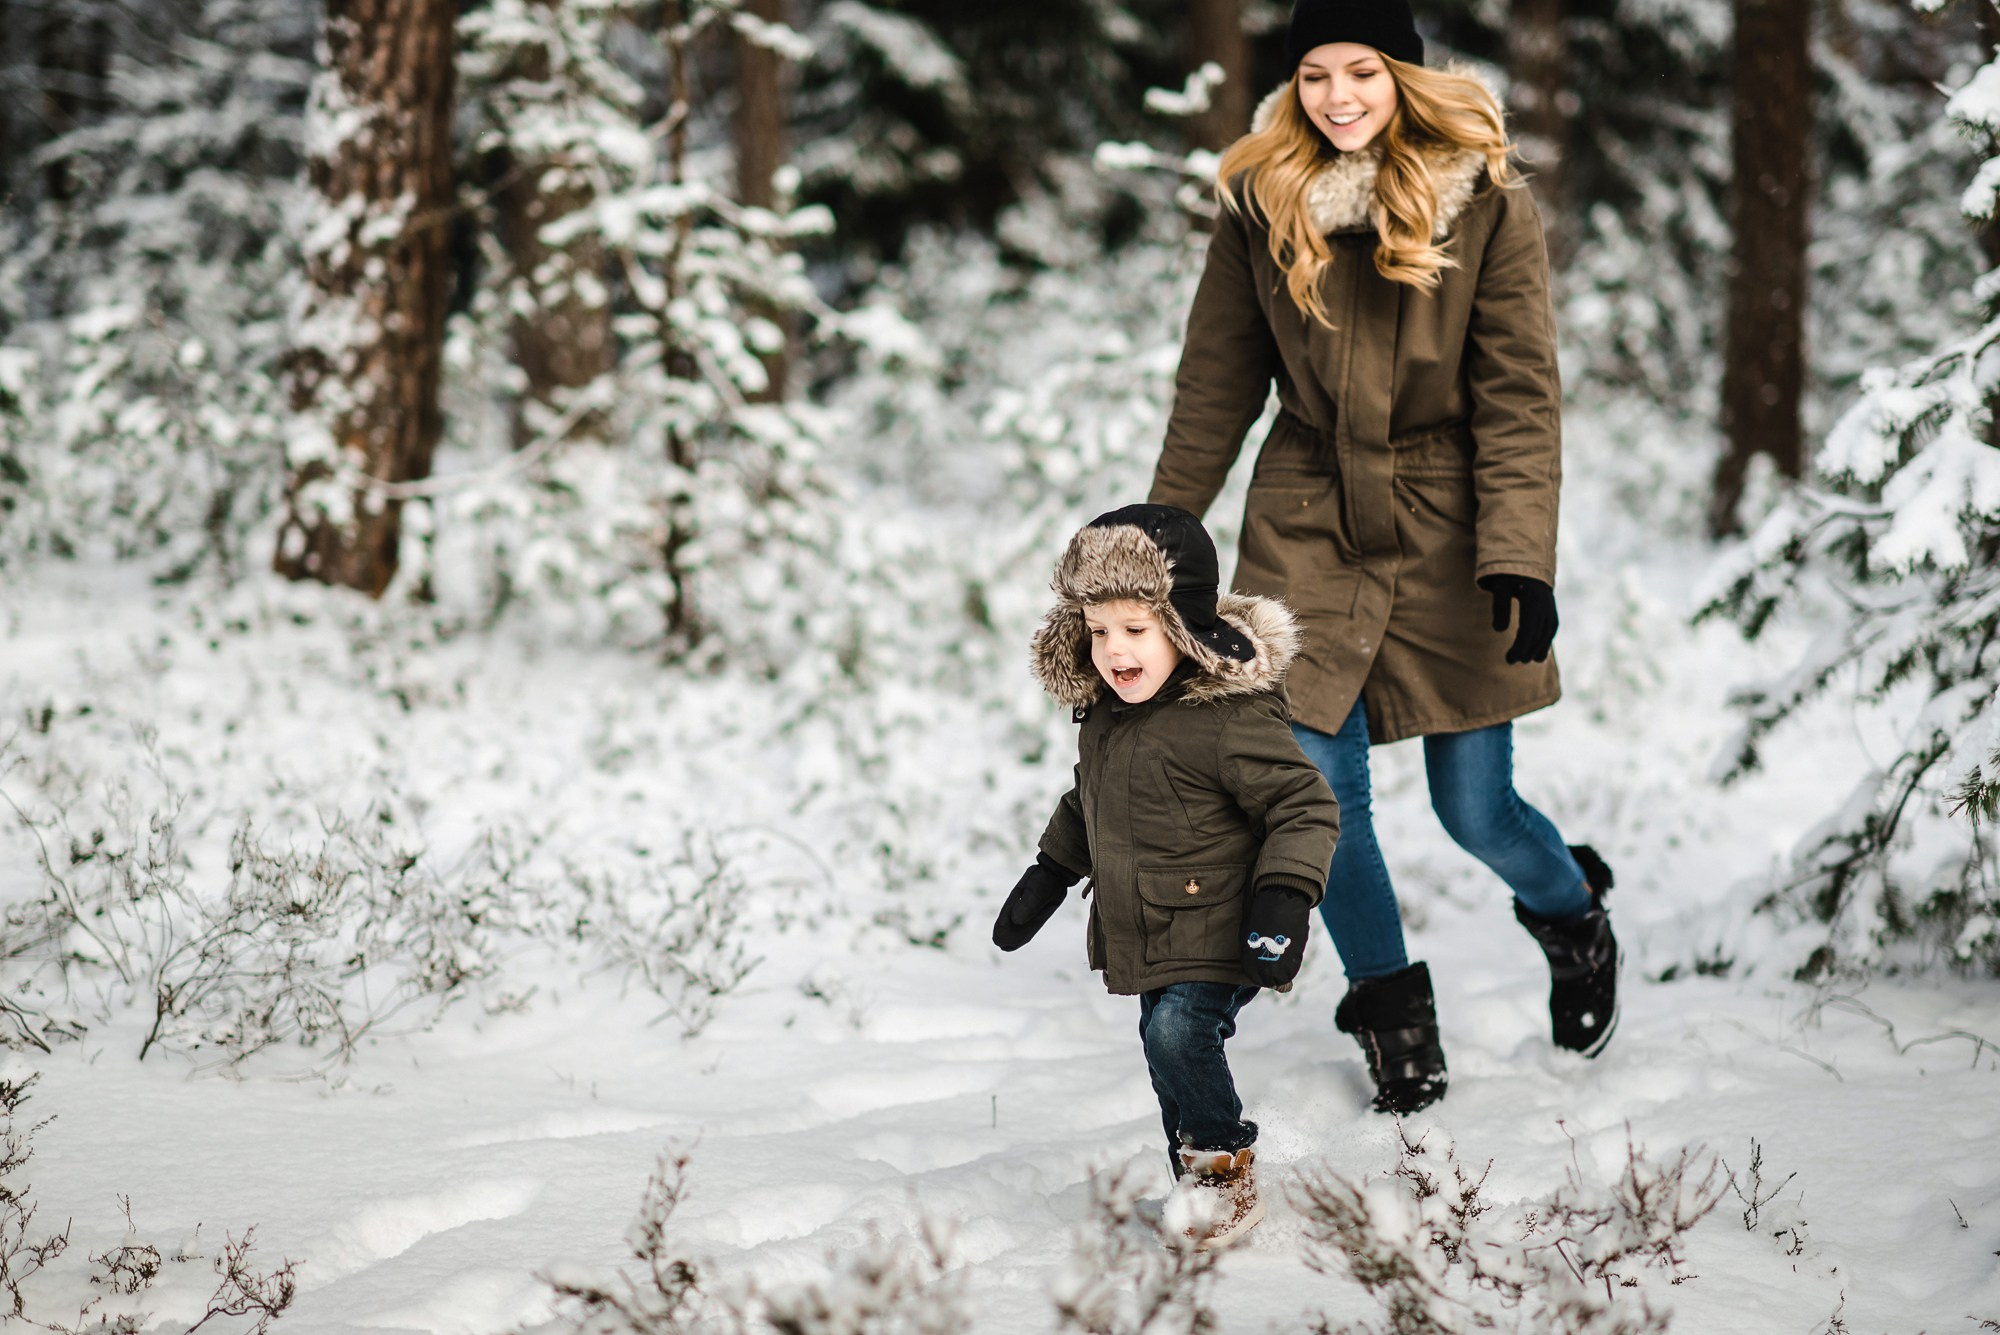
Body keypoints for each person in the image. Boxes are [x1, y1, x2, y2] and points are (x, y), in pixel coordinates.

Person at [1145, 0, 1620, 1116]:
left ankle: (1571, 915)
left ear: (1403, 75)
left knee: (1475, 810)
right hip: (1305, 512)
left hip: (1448, 521)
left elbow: (1516, 395)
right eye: (1312, 75)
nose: (1336, 97)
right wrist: (1161, 527)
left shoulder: (1484, 199)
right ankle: (1391, 1011)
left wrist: (1518, 556)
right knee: (1316, 790)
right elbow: (1215, 379)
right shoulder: (1260, 196)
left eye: (1361, 70)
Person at [991, 503, 1338, 1250]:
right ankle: (1198, 1178)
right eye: (1097, 629)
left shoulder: (1229, 718)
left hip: (1226, 917)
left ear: (1182, 625)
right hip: (1150, 922)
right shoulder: (1109, 715)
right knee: (1161, 1038)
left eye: (1135, 629)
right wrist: (1049, 871)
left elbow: (1304, 805)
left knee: (1180, 1029)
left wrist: (1284, 895)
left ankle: (1224, 1176)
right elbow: (1091, 802)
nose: (1113, 650)